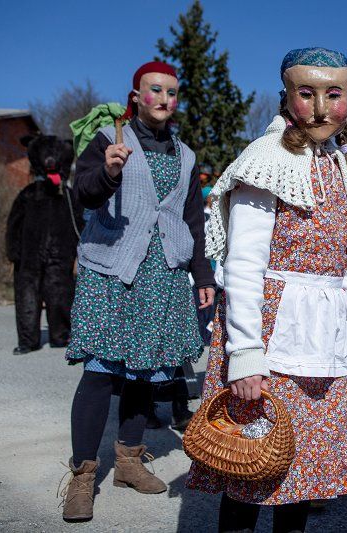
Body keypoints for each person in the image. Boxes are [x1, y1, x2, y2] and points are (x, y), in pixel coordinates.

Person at [187, 47, 347, 533]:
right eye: (307, 94)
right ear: (287, 95)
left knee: (303, 473)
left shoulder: (344, 167)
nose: (320, 108)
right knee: (252, 464)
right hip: (271, 336)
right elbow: (244, 263)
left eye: (333, 95)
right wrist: (245, 353)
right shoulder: (267, 159)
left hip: (326, 341)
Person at [59, 61, 215, 522]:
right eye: (155, 90)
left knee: (145, 372)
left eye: (171, 92)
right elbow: (83, 194)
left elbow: (192, 220)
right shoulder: (110, 139)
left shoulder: (186, 155)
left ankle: (128, 461)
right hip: (112, 269)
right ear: (135, 96)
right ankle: (83, 476)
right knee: (99, 372)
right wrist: (108, 173)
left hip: (163, 274)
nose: (164, 99)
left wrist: (203, 276)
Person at [5, 134, 83, 354]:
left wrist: (84, 251)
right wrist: (13, 250)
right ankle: (27, 340)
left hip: (61, 255)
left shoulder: (69, 197)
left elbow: (80, 223)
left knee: (61, 294)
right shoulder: (27, 195)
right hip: (28, 256)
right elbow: (14, 223)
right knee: (27, 297)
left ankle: (61, 335)